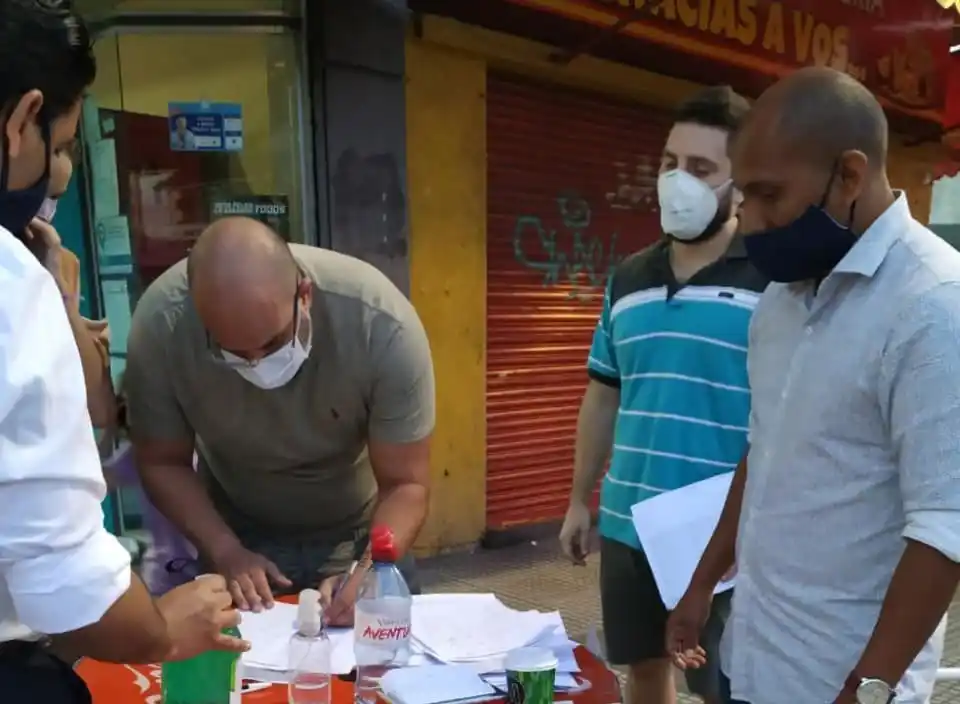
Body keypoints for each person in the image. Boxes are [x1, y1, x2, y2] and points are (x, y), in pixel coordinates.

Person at [666, 67, 960, 704]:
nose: (751, 223)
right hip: (754, 660)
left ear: (849, 175)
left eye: (770, 196)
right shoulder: (780, 300)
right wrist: (701, 584)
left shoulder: (934, 304)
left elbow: (945, 528)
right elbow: (764, 446)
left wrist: (869, 686)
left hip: (843, 683)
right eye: (745, 198)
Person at [0, 3, 248, 700]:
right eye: (59, 144)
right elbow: (67, 583)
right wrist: (165, 629)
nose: (60, 176)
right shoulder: (11, 288)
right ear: (22, 119)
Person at [558, 85, 765, 704]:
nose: (678, 181)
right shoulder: (628, 278)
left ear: (741, 182)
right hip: (628, 526)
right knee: (643, 669)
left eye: (701, 169)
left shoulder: (773, 281)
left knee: (723, 687)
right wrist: (578, 500)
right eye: (669, 164)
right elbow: (603, 396)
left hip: (723, 539)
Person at [124, 216, 434, 625]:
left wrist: (368, 572)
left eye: (272, 343)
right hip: (235, 537)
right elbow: (163, 461)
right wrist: (226, 551)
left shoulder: (378, 322)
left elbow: (407, 483)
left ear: (304, 294)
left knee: (387, 675)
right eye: (231, 351)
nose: (256, 364)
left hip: (359, 534)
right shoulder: (162, 326)